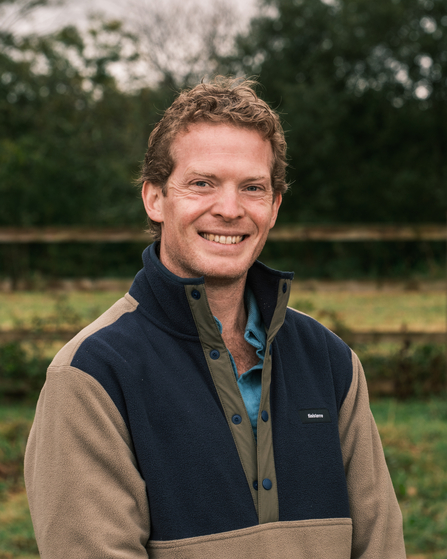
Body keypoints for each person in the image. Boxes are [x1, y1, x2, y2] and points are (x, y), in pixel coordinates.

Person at [25, 77, 406, 558]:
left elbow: (381, 546)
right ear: (155, 198)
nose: (229, 209)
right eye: (202, 183)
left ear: (274, 207)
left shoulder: (332, 362)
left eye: (252, 188)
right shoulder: (90, 376)